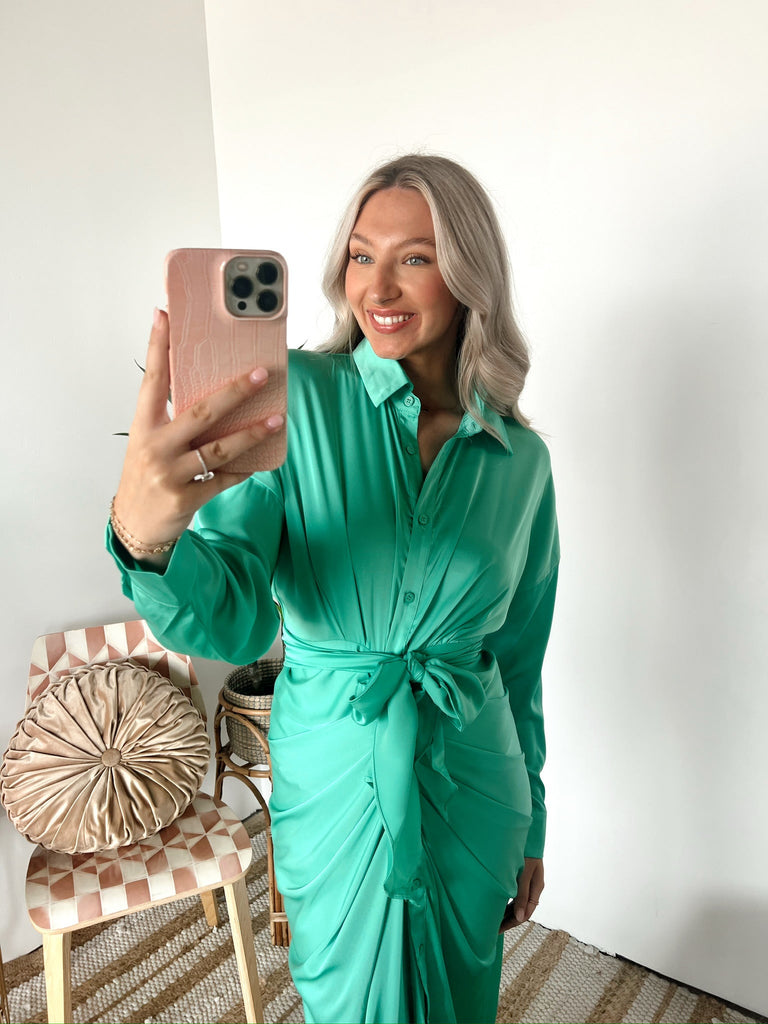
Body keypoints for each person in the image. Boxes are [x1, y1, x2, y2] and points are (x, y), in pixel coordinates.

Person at [107, 154, 559, 1024]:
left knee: (462, 996)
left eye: (415, 257)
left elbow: (518, 659)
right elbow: (233, 617)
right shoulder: (294, 400)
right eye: (360, 255)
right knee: (342, 995)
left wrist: (532, 820)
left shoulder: (522, 462)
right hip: (333, 771)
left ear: (470, 275)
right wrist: (148, 537)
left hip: (476, 775)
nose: (377, 287)